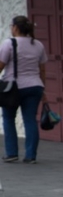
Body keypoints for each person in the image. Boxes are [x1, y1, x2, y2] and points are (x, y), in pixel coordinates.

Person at [0, 15, 48, 164]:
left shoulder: (9, 44)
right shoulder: (38, 44)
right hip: (35, 86)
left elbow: (1, 65)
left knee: (8, 118)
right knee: (30, 120)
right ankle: (30, 155)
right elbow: (42, 70)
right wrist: (43, 89)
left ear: (15, 27)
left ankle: (12, 153)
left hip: (12, 88)